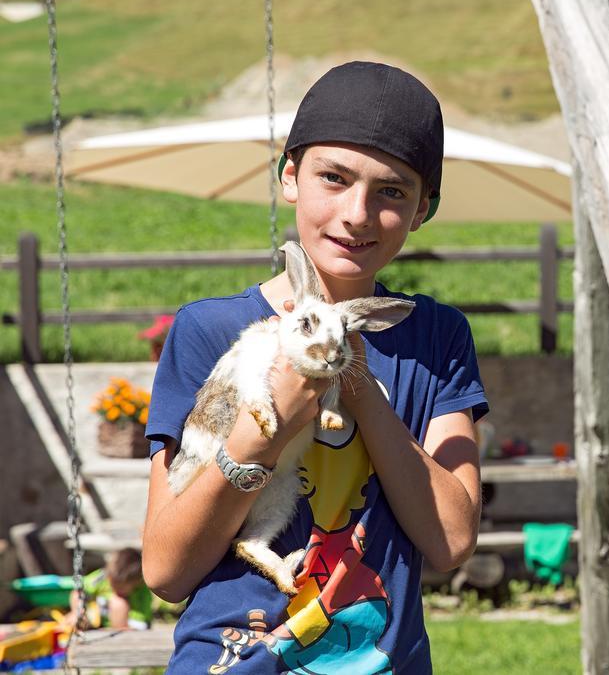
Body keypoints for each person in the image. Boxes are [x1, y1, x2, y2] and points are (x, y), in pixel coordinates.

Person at [141, 62, 488, 673]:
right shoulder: (209, 331)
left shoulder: (436, 337)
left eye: (392, 192)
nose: (357, 213)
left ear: (422, 210)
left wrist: (352, 384)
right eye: (334, 177)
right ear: (289, 176)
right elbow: (166, 570)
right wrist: (256, 435)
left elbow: (451, 540)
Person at [69, 548, 152, 630]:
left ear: (136, 583)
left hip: (127, 627)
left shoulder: (142, 592)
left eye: (120, 587)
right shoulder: (102, 577)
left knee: (118, 604)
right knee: (78, 599)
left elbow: (141, 623)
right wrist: (76, 613)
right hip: (97, 621)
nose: (114, 588)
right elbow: (78, 592)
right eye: (112, 583)